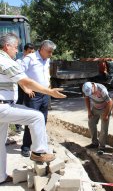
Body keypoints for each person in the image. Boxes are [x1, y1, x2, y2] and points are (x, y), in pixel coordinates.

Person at [0, 33, 66, 184]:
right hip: (3, 106)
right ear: (7, 46)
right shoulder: (4, 60)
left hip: (5, 104)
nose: (17, 51)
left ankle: (1, 177)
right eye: (15, 47)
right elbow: (25, 80)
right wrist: (50, 92)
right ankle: (38, 151)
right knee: (36, 117)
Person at [19, 40, 55, 157]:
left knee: (42, 121)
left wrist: (48, 85)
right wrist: (25, 88)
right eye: (49, 52)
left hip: (45, 95)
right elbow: (18, 74)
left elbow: (46, 73)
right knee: (31, 121)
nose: (51, 54)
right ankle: (25, 146)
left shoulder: (47, 59)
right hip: (33, 95)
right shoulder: (30, 58)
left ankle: (39, 147)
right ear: (42, 49)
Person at [82, 82, 113, 155]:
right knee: (91, 123)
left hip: (105, 108)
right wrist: (89, 111)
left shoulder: (102, 89)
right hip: (95, 108)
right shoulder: (85, 89)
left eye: (91, 92)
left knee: (103, 128)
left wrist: (106, 115)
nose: (91, 94)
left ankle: (102, 147)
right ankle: (94, 143)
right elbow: (86, 98)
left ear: (93, 86)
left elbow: (110, 102)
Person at [14, 43, 35, 134]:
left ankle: (28, 123)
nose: (31, 54)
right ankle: (18, 125)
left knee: (29, 104)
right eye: (29, 52)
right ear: (25, 51)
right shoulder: (19, 61)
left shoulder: (34, 61)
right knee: (20, 103)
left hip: (31, 85)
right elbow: (19, 77)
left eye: (32, 52)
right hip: (22, 85)